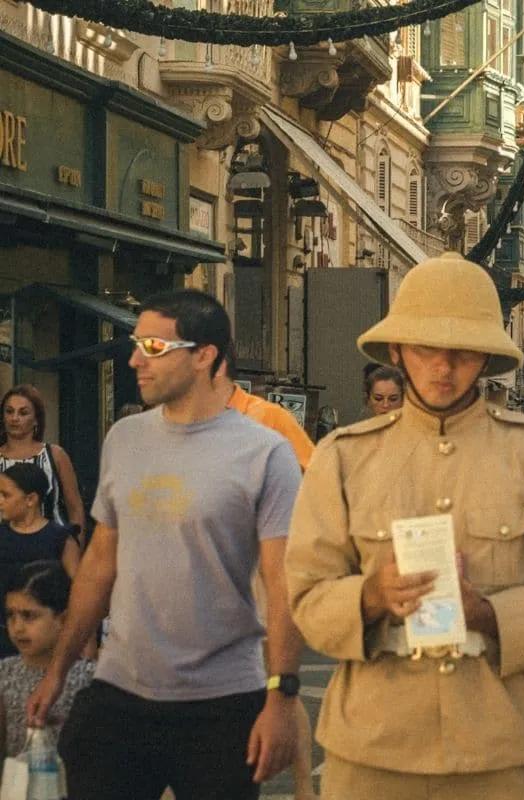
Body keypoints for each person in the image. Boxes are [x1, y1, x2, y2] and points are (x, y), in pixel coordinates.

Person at [285, 252, 524, 799]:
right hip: (372, 752)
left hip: (501, 752)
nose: (442, 367)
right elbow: (305, 598)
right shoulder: (343, 457)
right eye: (425, 349)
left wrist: (486, 612)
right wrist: (370, 596)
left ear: (485, 360)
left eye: (461, 353)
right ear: (396, 353)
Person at [28, 289, 304, 800]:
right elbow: (99, 565)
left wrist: (282, 696)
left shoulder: (266, 453)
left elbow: (284, 581)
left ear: (205, 356)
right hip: (120, 695)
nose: (135, 359)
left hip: (222, 703)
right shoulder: (125, 438)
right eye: (138, 344)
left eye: (153, 347)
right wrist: (59, 670)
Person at [215, 350, 318, 800]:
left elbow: (315, 475)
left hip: (263, 563)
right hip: (212, 567)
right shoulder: (180, 423)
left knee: (278, 677)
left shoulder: (267, 417)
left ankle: (302, 786)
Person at [0, 561, 93, 757]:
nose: (17, 627)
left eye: (29, 616)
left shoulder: (88, 678)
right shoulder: (4, 673)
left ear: (63, 619)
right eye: (11, 616)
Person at [0, 464, 80, 657]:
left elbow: (78, 591)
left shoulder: (60, 538)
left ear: (31, 499)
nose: (0, 501)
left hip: (48, 639)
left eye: (5, 495)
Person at [0, 385, 85, 535]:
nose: (15, 418)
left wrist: (75, 548)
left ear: (36, 420)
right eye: (9, 411)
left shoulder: (56, 455)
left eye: (23, 412)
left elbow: (75, 509)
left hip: (52, 548)